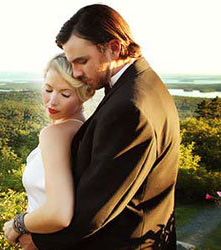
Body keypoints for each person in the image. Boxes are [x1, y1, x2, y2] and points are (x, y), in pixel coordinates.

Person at [17, 4, 180, 250]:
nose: (76, 72)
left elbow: (96, 209)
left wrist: (34, 237)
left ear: (114, 48)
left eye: (82, 61)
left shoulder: (131, 106)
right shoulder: (141, 84)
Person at [3, 53, 95, 244]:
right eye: (48, 89)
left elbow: (59, 213)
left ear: (85, 95)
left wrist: (17, 224)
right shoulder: (83, 130)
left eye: (65, 94)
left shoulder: (54, 134)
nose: (52, 101)